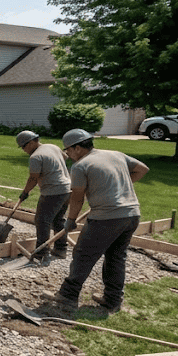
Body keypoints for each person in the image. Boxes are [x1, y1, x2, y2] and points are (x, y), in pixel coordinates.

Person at [41, 128, 149, 313]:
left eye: (68, 150)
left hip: (106, 219)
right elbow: (142, 169)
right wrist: (115, 189)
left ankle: (67, 297)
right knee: (116, 257)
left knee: (83, 254)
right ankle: (112, 300)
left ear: (76, 148)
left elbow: (77, 197)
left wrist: (71, 219)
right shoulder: (116, 154)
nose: (68, 154)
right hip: (131, 215)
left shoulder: (81, 166)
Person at [16, 130, 70, 262]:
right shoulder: (53, 147)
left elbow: (33, 178)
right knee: (58, 220)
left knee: (42, 221)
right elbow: (65, 157)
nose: (23, 150)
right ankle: (61, 249)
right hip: (67, 189)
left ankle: (41, 253)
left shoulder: (35, 157)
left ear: (32, 142)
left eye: (24, 146)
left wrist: (25, 193)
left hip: (53, 192)